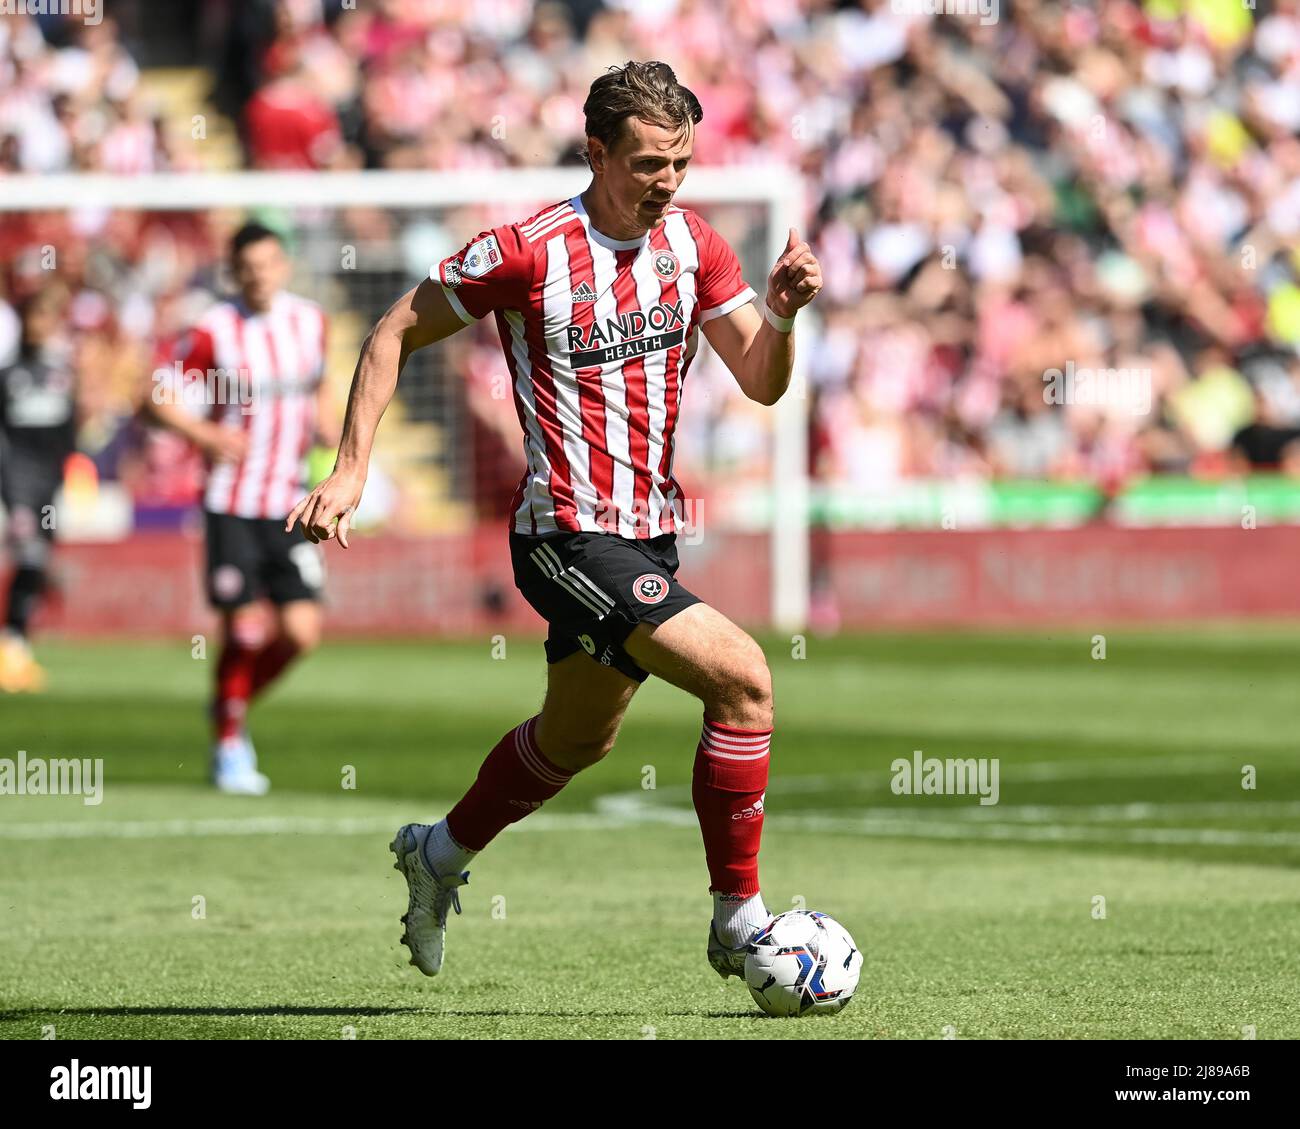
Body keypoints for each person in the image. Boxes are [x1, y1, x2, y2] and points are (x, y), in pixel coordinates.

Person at [287, 61, 823, 984]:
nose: (668, 182)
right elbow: (392, 331)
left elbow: (762, 382)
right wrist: (351, 467)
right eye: (649, 163)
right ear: (597, 151)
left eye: (681, 163)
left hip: (647, 531)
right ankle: (739, 919)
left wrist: (779, 313)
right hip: (563, 534)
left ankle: (438, 853)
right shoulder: (529, 249)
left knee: (578, 738)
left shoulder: (697, 247)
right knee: (744, 681)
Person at [146, 223, 337, 794]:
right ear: (234, 271)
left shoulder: (310, 321)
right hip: (231, 499)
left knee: (302, 633)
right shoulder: (213, 329)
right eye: (247, 267)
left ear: (283, 265)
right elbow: (156, 396)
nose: (259, 275)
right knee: (246, 628)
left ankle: (229, 712)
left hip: (288, 502)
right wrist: (204, 436)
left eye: (268, 264)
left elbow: (320, 384)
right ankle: (230, 745)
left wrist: (329, 425)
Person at [0, 286, 78, 692]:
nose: (38, 325)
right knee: (29, 558)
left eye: (45, 317)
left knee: (37, 562)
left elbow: (69, 431)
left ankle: (16, 648)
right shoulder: (8, 374)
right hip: (16, 482)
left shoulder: (61, 373)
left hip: (48, 484)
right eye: (32, 317)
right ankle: (12, 647)